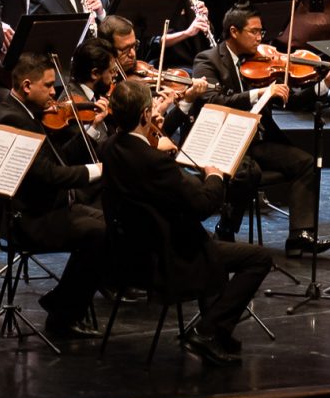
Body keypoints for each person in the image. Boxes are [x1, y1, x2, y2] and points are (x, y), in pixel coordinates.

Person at [100, 79, 271, 366]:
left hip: (128, 254)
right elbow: (203, 205)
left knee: (206, 242)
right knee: (259, 258)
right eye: (151, 109)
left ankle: (217, 332)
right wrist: (214, 176)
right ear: (144, 115)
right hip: (168, 258)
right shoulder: (155, 162)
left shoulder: (109, 147)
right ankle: (208, 331)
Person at [186, 5, 330, 256]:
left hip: (259, 140)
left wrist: (326, 83)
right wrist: (259, 93)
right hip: (225, 142)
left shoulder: (264, 61)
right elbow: (213, 101)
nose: (260, 38)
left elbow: (294, 100)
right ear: (234, 31)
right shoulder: (207, 60)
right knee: (247, 172)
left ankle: (300, 236)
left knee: (305, 163)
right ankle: (227, 227)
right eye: (254, 32)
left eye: (261, 32)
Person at [0, 52, 110, 342]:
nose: (55, 93)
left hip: (45, 209)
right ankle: (62, 313)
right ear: (27, 86)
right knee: (99, 233)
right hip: (28, 220)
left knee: (110, 225)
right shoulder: (14, 120)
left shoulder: (24, 113)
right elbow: (50, 176)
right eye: (49, 86)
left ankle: (62, 302)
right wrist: (99, 170)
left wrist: (91, 129)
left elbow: (58, 160)